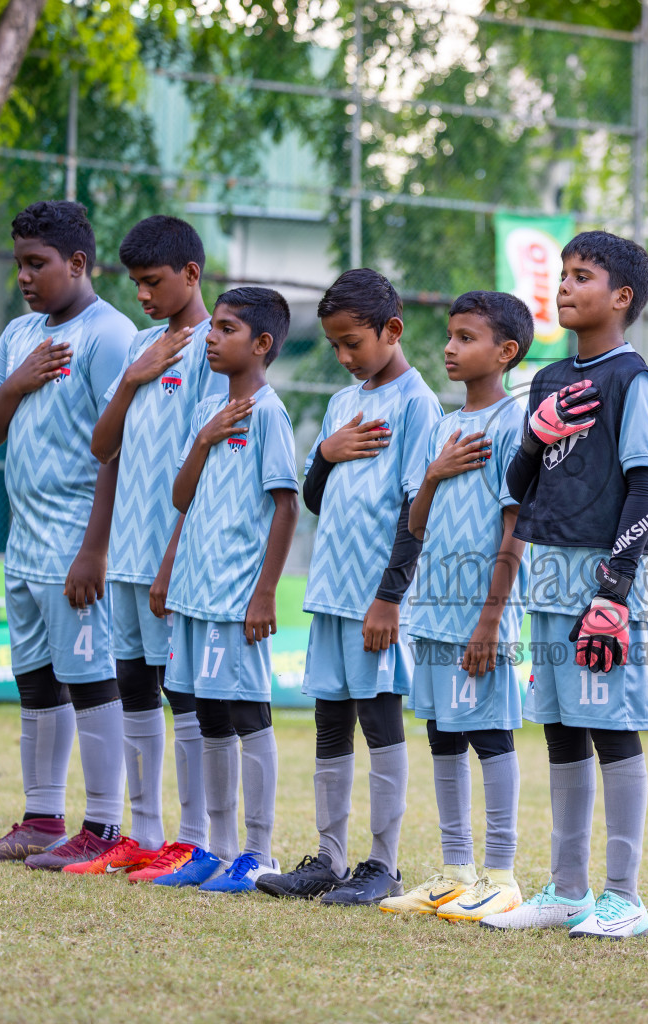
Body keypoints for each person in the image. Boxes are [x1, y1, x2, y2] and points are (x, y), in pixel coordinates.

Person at [480, 230, 648, 941]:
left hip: (599, 590)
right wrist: (534, 437)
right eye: (561, 273)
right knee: (560, 731)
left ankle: (625, 896)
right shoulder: (550, 382)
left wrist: (614, 595)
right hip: (546, 582)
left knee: (611, 730)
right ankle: (566, 890)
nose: (563, 286)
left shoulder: (631, 379)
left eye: (581, 275)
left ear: (620, 298)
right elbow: (515, 488)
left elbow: (646, 488)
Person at [255, 269, 442, 906]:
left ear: (391, 330)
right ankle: (329, 859)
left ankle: (382, 865)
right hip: (330, 594)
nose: (342, 357)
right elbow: (312, 498)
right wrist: (325, 454)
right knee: (329, 723)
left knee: (380, 720)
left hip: (375, 600)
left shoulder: (419, 405)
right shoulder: (343, 403)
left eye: (352, 343)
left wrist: (390, 596)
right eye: (333, 345)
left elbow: (419, 507)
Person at [0, 201, 136, 869]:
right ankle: (40, 820)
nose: (25, 278)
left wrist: (96, 548)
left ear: (79, 263)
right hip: (25, 544)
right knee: (35, 682)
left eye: (38, 264)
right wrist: (20, 382)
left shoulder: (110, 335)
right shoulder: (17, 334)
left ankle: (105, 826)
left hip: (76, 542)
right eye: (20, 265)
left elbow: (117, 448)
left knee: (91, 680)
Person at [79, 216, 227, 882]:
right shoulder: (143, 347)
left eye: (153, 281)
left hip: (178, 560)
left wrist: (174, 558)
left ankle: (193, 842)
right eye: (134, 282)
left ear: (191, 275)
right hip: (128, 560)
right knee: (134, 689)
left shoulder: (215, 352)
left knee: (182, 696)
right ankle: (144, 834)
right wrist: (134, 377)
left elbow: (210, 465)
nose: (141, 294)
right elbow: (101, 447)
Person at [381, 291, 531, 922]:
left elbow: (515, 527)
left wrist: (491, 620)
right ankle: (454, 872)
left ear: (506, 352)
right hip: (435, 613)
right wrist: (437, 472)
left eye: (467, 338)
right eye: (449, 336)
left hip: (481, 616)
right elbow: (414, 521)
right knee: (443, 735)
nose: (449, 347)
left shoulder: (513, 424)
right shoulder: (443, 427)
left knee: (489, 736)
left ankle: (502, 875)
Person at [149, 287, 298, 894]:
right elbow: (182, 498)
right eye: (212, 327)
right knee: (206, 719)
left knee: (246, 715)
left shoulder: (269, 412)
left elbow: (286, 507)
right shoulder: (212, 409)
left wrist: (264, 593)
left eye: (226, 329)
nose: (211, 337)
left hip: (236, 601)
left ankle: (257, 853)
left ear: (260, 345)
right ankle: (214, 847)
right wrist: (205, 438)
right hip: (193, 596)